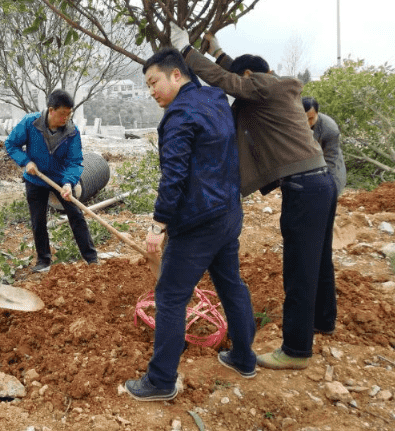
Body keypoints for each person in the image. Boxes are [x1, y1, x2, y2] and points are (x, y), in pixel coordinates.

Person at [170, 24, 338, 370]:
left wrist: (186, 52)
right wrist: (216, 50)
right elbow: (235, 72)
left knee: (299, 270)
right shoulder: (276, 89)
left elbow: (228, 80)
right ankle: (323, 320)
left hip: (304, 189)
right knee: (319, 261)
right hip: (322, 183)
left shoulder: (264, 86)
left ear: (250, 76)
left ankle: (295, 350)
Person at [124, 48, 257, 402]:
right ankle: (244, 357)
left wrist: (158, 226)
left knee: (169, 297)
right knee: (231, 284)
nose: (152, 91)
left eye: (154, 82)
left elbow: (174, 177)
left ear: (176, 75)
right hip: (228, 212)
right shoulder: (214, 97)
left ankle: (161, 381)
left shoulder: (180, 115)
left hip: (198, 222)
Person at [5, 89, 98, 273]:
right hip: (35, 177)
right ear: (51, 110)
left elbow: (75, 161)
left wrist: (68, 183)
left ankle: (91, 258)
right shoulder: (30, 123)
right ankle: (44, 260)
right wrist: (26, 161)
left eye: (69, 114)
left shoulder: (72, 131)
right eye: (62, 113)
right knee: (38, 220)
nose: (66, 118)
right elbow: (11, 144)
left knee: (76, 215)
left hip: (60, 177)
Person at [302, 96, 347, 196]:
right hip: (306, 163)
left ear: (317, 113)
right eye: (303, 119)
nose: (307, 123)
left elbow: (331, 160)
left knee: (331, 191)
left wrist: (327, 186)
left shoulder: (330, 128)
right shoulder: (292, 123)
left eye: (311, 118)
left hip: (328, 162)